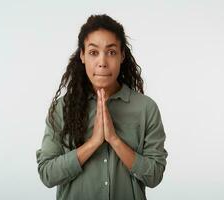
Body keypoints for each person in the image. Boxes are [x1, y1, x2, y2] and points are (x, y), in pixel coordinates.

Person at [36, 14, 168, 200]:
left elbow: (154, 176)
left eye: (111, 52)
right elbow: (47, 174)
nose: (102, 62)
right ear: (82, 55)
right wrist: (93, 143)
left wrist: (114, 139)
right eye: (93, 52)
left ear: (122, 55)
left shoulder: (146, 108)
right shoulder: (61, 109)